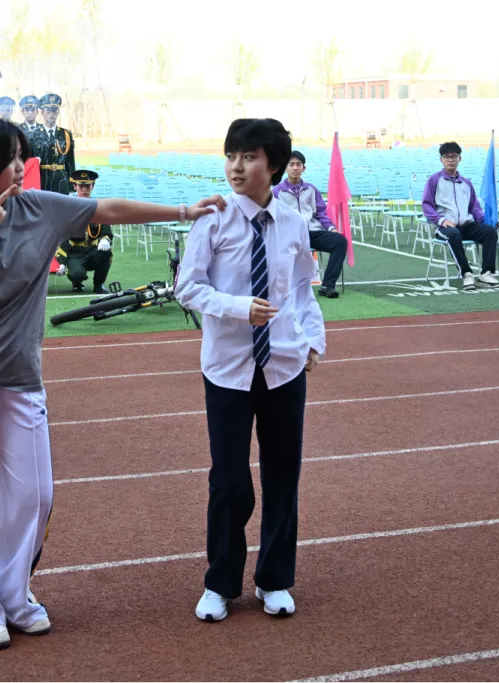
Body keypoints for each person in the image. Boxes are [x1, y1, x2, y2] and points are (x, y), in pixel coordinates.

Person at [0, 114, 223, 650]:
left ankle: (13, 591)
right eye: (12, 158)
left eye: (22, 156)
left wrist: (184, 211)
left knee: (35, 495)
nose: (22, 166)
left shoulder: (39, 207)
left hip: (20, 376)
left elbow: (108, 210)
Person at [174, 118, 325, 624]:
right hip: (228, 369)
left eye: (249, 157)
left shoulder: (293, 223)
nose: (236, 167)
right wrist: (239, 308)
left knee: (283, 475)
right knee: (229, 481)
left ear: (274, 165)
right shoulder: (213, 219)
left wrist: (313, 339)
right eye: (232, 156)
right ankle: (220, 582)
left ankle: (274, 578)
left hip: (284, 365)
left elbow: (301, 289)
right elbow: (187, 288)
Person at [421, 142, 499, 290]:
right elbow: (427, 205)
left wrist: (486, 220)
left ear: (459, 158)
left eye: (454, 156)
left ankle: (486, 273)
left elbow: (475, 207)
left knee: (490, 232)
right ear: (441, 159)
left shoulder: (466, 183)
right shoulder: (434, 180)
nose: (450, 160)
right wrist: (441, 220)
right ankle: (467, 274)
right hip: (445, 226)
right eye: (446, 156)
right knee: (454, 234)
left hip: (467, 225)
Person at [272, 150, 348, 298]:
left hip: (312, 232)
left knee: (340, 241)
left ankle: (327, 286)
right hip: (290, 234)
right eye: (291, 165)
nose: (295, 168)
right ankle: (283, 288)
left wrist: (331, 228)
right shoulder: (277, 192)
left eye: (298, 164)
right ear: (285, 168)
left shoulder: (311, 189)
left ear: (304, 168)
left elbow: (320, 213)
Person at [55, 169, 113, 293]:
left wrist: (104, 240)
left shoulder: (99, 207)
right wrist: (62, 262)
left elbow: (106, 231)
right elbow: (62, 237)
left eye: (88, 186)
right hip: (76, 252)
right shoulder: (68, 209)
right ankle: (76, 282)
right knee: (76, 274)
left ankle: (99, 284)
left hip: (94, 250)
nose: (84, 190)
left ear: (93, 187)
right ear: (75, 187)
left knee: (106, 252)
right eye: (81, 186)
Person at [37, 93, 75, 195]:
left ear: (58, 112)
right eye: (48, 110)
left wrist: (71, 187)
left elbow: (70, 162)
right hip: (42, 182)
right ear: (42, 112)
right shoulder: (34, 135)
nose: (51, 113)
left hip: (61, 182)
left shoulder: (66, 134)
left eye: (54, 110)